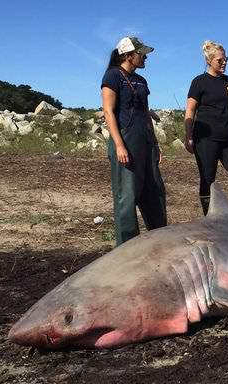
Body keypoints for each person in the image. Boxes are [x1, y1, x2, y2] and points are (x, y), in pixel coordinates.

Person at [101, 36, 167, 246]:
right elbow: (108, 112)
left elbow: (144, 113)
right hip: (126, 141)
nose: (145, 57)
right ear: (128, 56)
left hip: (145, 141)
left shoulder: (141, 80)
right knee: (127, 197)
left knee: (154, 191)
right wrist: (119, 145)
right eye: (142, 54)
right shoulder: (112, 76)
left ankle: (159, 240)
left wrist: (155, 144)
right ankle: (127, 247)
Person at [184, 40, 228, 218]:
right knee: (208, 179)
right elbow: (190, 111)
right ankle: (209, 220)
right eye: (220, 61)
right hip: (205, 140)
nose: (224, 63)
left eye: (226, 59)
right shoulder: (199, 82)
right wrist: (188, 136)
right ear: (209, 61)